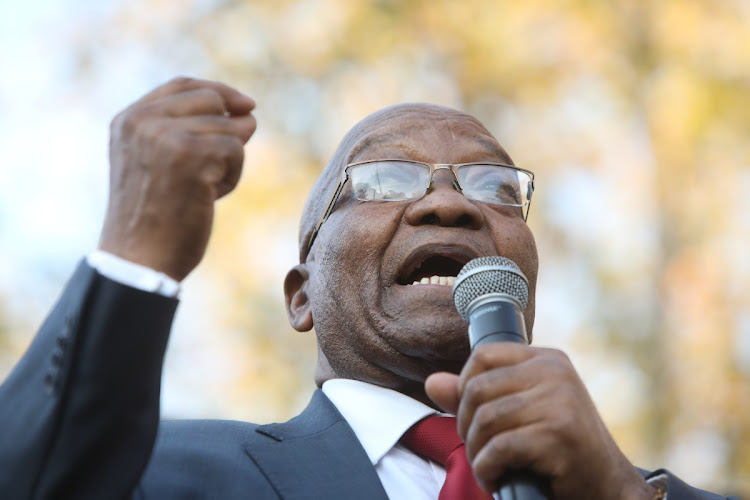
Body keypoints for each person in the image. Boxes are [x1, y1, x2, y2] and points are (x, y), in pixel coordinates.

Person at [0, 77, 738, 499]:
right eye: (383, 179)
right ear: (301, 296)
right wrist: (137, 252)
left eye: (493, 185)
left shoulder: (630, 491)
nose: (450, 204)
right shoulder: (155, 471)